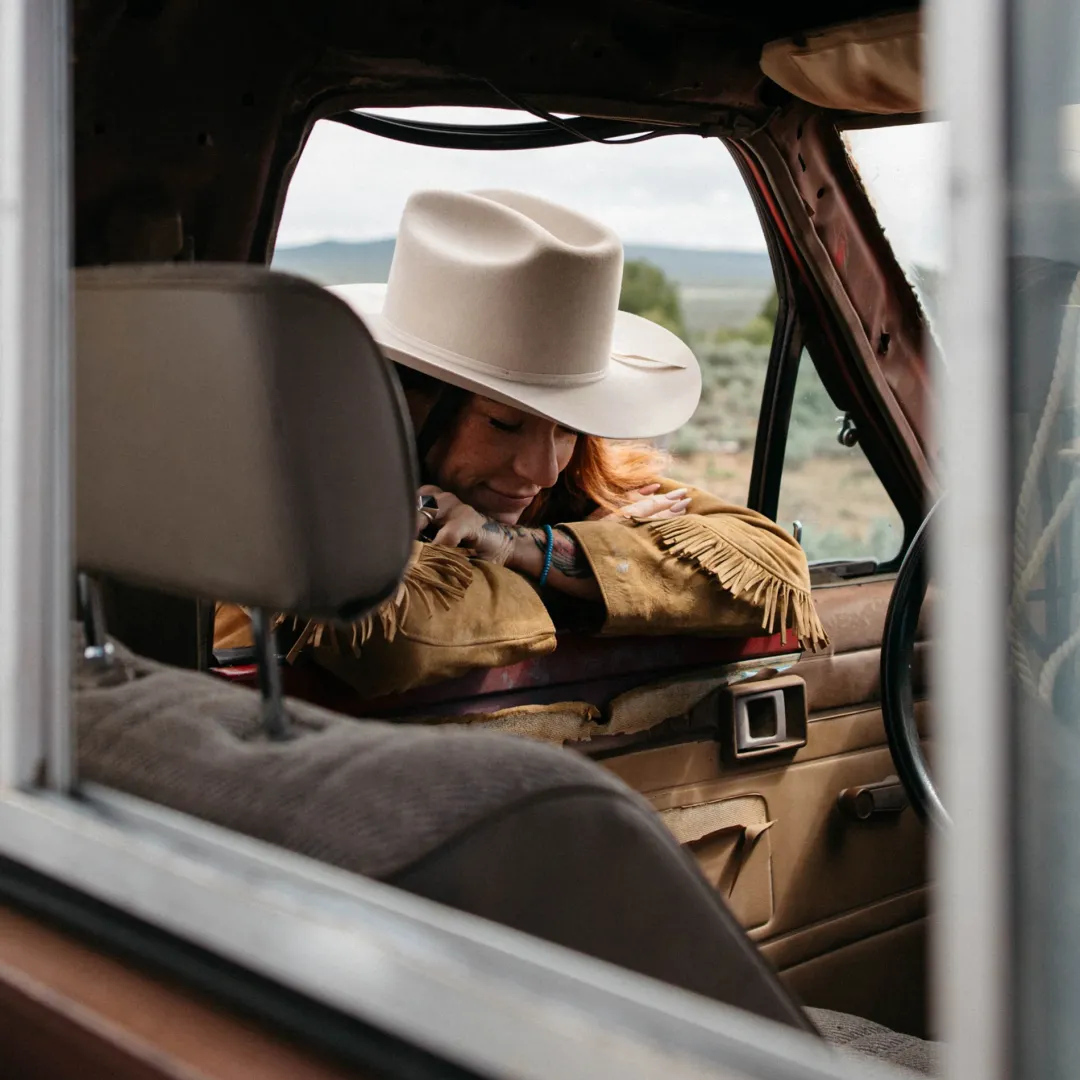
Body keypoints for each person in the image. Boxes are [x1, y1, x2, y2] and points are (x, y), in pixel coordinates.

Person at [215, 189, 826, 697]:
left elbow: (773, 572)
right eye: (503, 424)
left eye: (567, 427)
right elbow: (389, 640)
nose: (543, 471)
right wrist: (589, 578)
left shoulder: (583, 485)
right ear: (406, 404)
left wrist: (523, 548)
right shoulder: (310, 512)